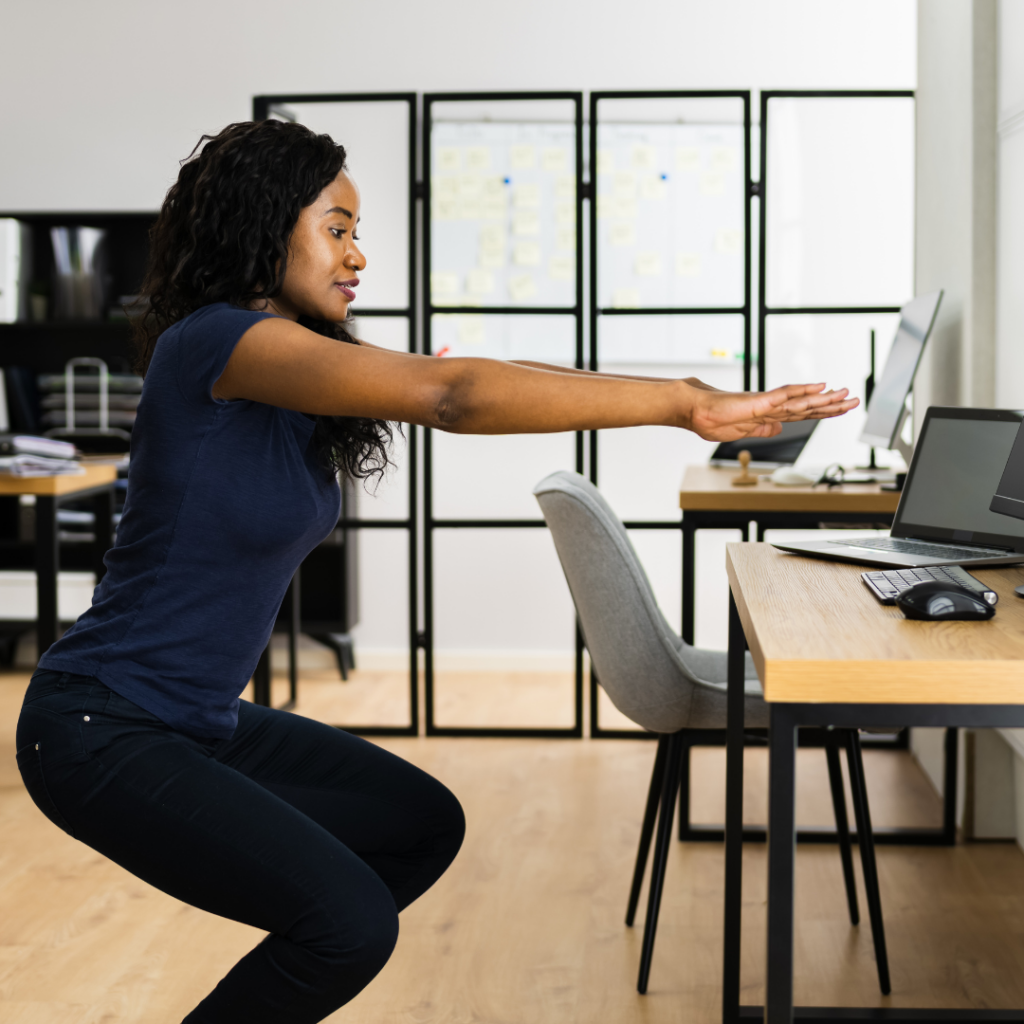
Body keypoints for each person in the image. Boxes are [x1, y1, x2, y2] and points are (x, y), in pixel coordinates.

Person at [15, 120, 857, 1024]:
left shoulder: (292, 364)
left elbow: (481, 373)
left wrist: (684, 399)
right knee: (347, 925)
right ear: (264, 225)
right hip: (102, 722)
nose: (358, 255)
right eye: (336, 228)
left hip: (197, 721)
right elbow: (455, 396)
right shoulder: (216, 344)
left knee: (419, 826)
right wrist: (685, 404)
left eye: (356, 232)